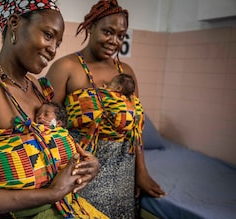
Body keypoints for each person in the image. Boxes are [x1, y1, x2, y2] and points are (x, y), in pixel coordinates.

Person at [0, 1, 102, 218]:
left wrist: (86, 166)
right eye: (48, 35)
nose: (53, 50)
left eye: (58, 43)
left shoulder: (37, 88)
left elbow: (48, 149)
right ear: (14, 23)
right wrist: (51, 193)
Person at [46, 0, 166, 218]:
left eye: (121, 35)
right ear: (90, 27)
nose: (114, 41)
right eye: (108, 32)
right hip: (80, 169)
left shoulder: (125, 73)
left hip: (122, 170)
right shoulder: (66, 67)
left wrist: (142, 173)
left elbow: (135, 129)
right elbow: (47, 123)